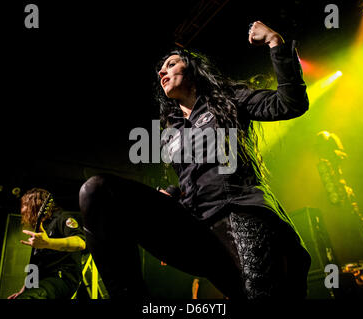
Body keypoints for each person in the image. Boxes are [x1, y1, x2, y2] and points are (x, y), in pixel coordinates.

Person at [79, 21, 311, 300]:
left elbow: (291, 103)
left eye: (171, 64)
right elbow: (191, 179)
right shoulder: (170, 131)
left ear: (192, 70)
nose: (162, 72)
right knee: (97, 191)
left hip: (238, 212)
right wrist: (174, 194)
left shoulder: (227, 99)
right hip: (196, 227)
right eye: (160, 70)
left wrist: (276, 43)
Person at [8, 188, 86, 299]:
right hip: (41, 283)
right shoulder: (40, 229)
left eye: (24, 205)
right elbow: (35, 266)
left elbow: (80, 242)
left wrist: (48, 243)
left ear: (34, 204)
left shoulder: (62, 218)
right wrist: (24, 290)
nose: (22, 210)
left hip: (61, 278)